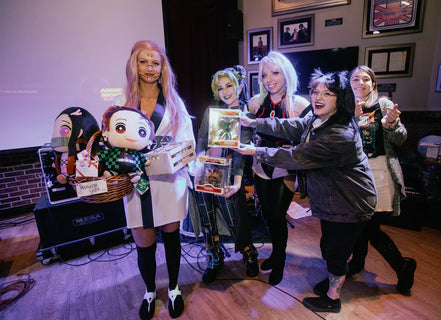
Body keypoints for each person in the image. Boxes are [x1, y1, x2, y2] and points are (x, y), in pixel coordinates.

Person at [235, 69, 376, 313]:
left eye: (328, 93)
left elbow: (297, 156)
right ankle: (336, 279)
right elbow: (292, 125)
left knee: (335, 249)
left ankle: (333, 298)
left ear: (340, 98)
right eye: (315, 92)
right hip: (334, 198)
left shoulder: (339, 133)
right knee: (330, 246)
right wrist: (254, 122)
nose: (318, 98)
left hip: (349, 200)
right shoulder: (319, 119)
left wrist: (254, 151)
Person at [115, 40, 194, 319]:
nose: (150, 68)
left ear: (162, 67)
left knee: (171, 238)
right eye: (143, 61)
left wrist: (176, 159)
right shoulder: (122, 106)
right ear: (134, 65)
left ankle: (173, 289)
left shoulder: (174, 102)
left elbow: (187, 143)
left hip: (169, 182)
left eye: (155, 62)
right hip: (136, 185)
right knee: (144, 243)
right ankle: (150, 292)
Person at [349, 65, 416, 294]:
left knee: (368, 227)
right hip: (356, 175)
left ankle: (402, 265)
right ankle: (357, 264)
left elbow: (401, 139)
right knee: (361, 224)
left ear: (373, 83)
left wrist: (391, 125)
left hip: (380, 174)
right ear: (350, 84)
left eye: (365, 79)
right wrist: (351, 119)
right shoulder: (346, 108)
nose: (360, 83)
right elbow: (341, 142)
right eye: (355, 79)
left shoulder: (384, 104)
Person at [247, 50, 310, 285]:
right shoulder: (255, 103)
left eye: (275, 73)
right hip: (260, 166)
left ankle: (280, 258)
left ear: (286, 74)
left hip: (286, 168)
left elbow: (309, 141)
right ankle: (275, 253)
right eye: (264, 75)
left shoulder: (300, 104)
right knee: (267, 215)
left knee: (277, 214)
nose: (270, 79)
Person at [194, 65, 259, 283]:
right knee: (208, 219)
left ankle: (249, 254)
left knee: (234, 220)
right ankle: (214, 257)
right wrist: (199, 165)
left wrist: (238, 182)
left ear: (239, 86)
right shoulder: (212, 110)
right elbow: (202, 139)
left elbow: (242, 152)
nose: (225, 91)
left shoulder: (246, 115)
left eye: (229, 85)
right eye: (220, 88)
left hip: (230, 174)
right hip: (206, 170)